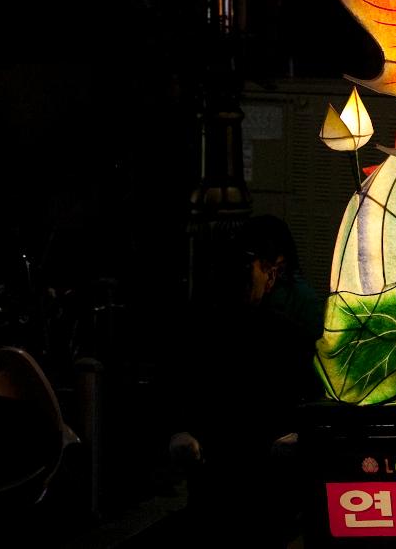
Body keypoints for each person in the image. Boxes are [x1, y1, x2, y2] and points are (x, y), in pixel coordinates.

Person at [166, 215, 324, 546]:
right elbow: (311, 397)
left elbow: (178, 395)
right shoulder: (284, 330)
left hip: (223, 477)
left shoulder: (195, 326)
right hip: (258, 480)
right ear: (269, 273)